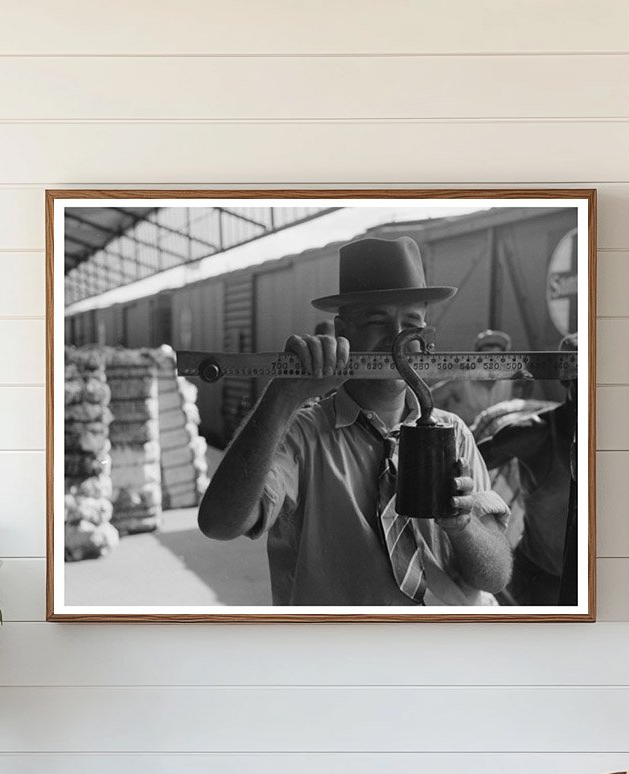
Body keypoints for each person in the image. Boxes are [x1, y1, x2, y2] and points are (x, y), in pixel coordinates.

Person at [198, 235, 512, 606]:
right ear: (343, 332)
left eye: (411, 323)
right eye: (378, 321)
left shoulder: (454, 434)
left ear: (425, 336)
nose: (396, 339)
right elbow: (219, 523)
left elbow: (495, 578)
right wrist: (283, 396)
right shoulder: (301, 437)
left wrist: (463, 527)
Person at [474, 333, 579, 606]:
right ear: (566, 378)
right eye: (583, 376)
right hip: (538, 585)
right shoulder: (534, 435)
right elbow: (462, 465)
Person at [432, 329, 521, 426]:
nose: (492, 363)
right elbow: (430, 399)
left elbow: (527, 386)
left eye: (497, 358)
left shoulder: (509, 382)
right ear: (476, 360)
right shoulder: (460, 381)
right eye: (486, 358)